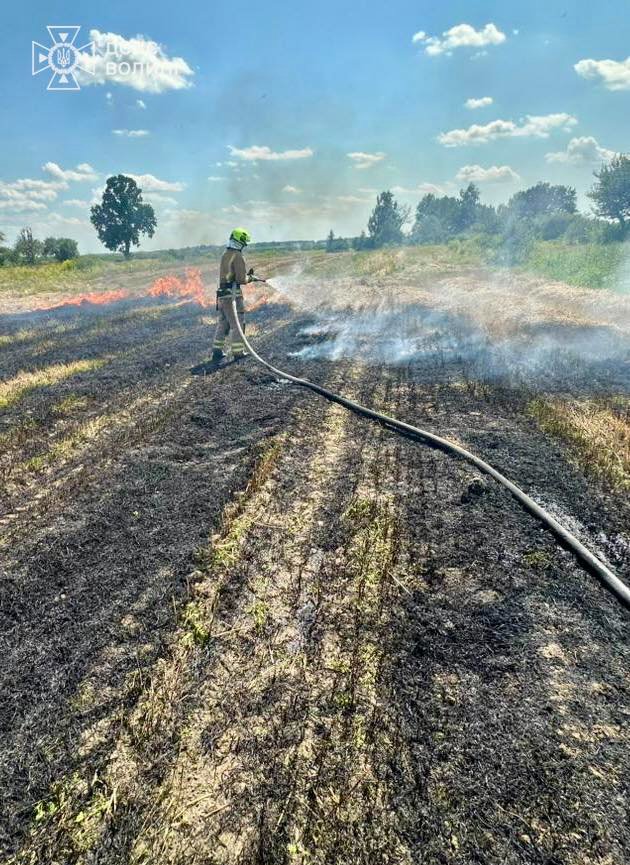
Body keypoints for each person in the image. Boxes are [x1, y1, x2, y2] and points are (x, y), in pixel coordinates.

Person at [212, 228, 253, 361]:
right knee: (238, 324)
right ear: (239, 242)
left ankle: (217, 350)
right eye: (243, 243)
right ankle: (238, 352)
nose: (244, 246)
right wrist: (250, 278)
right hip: (233, 296)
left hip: (222, 296)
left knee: (223, 323)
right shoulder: (238, 256)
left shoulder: (225, 254)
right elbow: (241, 279)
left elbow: (230, 275)